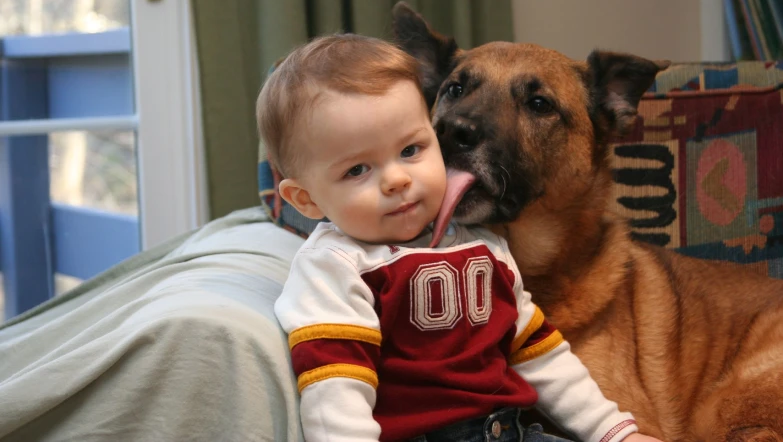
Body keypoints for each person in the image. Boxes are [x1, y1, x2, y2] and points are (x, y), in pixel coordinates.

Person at [257, 33, 664, 442]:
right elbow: (337, 393)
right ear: (303, 199)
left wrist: (616, 432)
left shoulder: (484, 250)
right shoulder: (338, 268)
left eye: (538, 105)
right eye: (456, 91)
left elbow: (542, 354)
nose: (460, 126)